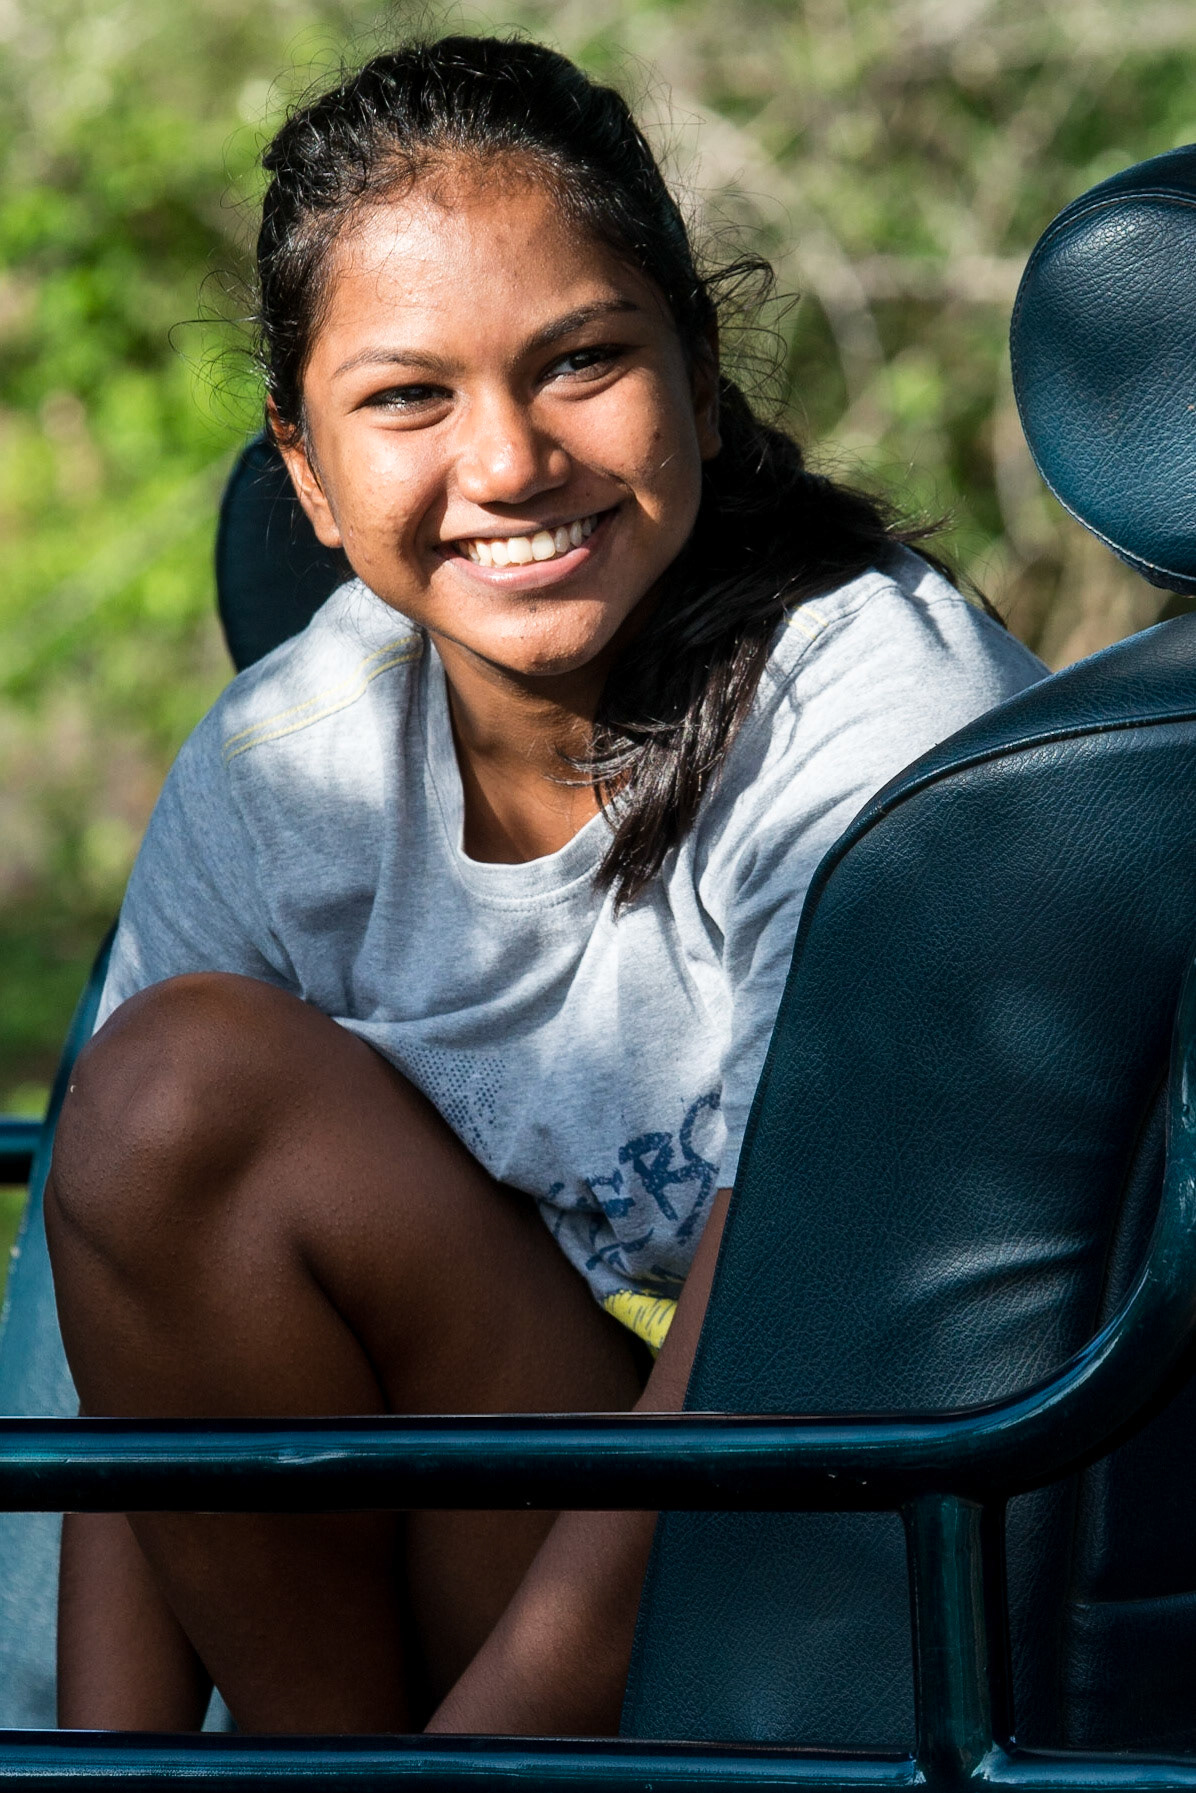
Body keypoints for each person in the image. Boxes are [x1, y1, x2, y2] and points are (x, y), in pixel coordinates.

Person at [43, 34, 1045, 1739]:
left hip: (898, 1547)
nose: (507, 463)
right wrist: (91, 1767)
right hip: (587, 1541)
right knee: (161, 1105)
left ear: (701, 377)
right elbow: (123, 1339)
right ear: (304, 470)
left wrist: (456, 1780)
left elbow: (772, 1368)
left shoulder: (877, 712)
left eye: (581, 362)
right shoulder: (290, 762)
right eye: (409, 397)